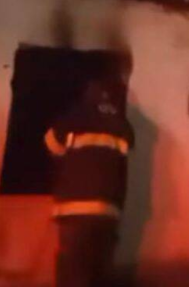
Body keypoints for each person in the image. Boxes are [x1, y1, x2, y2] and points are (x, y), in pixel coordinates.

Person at [44, 74, 134, 287]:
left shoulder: (75, 116)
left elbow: (51, 144)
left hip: (73, 209)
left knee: (72, 270)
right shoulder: (122, 124)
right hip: (107, 211)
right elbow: (125, 153)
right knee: (98, 271)